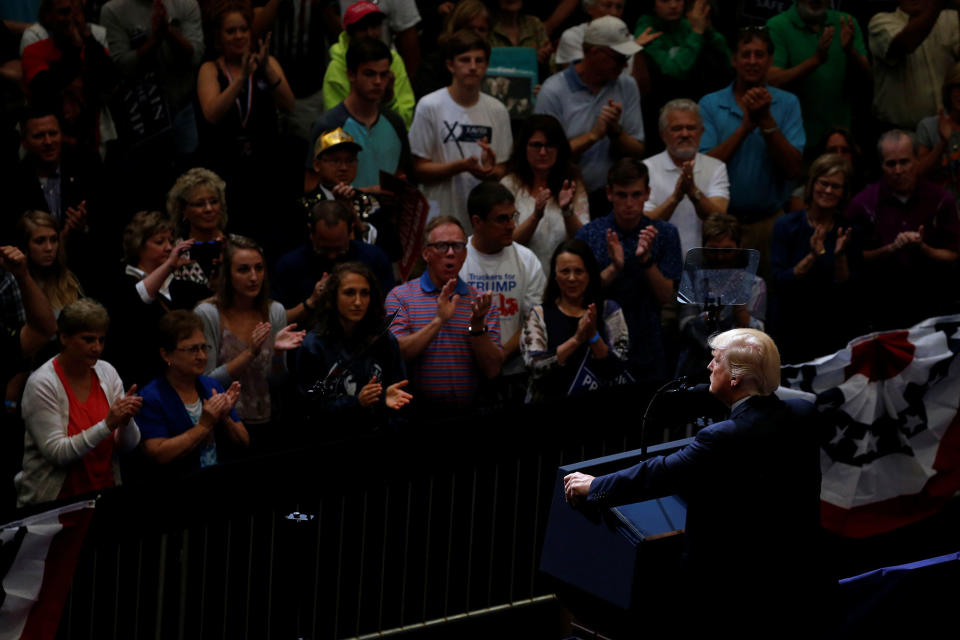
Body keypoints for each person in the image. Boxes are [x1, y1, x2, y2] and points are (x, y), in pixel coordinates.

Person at [563, 328, 821, 632]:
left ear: (735, 379)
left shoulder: (723, 437)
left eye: (716, 361)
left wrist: (594, 486)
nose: (709, 367)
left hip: (731, 595)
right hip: (798, 582)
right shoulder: (803, 413)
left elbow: (658, 474)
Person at [698, 27, 805, 277]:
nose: (753, 61)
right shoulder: (710, 104)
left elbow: (793, 168)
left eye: (760, 55)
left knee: (768, 301)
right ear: (734, 60)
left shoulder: (788, 103)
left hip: (770, 223)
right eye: (746, 54)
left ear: (770, 60)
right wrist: (745, 128)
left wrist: (767, 121)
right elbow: (703, 168)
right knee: (719, 302)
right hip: (721, 227)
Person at [17, 299, 142, 507]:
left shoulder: (107, 372)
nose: (97, 348)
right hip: (54, 505)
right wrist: (107, 425)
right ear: (64, 337)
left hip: (103, 495)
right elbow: (57, 453)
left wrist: (126, 422)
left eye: (101, 340)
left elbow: (126, 447)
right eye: (88, 340)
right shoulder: (42, 383)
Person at [196, 1, 296, 242]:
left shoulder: (266, 63)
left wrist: (265, 70)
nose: (239, 36)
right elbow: (212, 113)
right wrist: (240, 80)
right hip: (225, 168)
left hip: (265, 167)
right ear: (219, 36)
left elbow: (289, 104)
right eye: (231, 31)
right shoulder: (210, 69)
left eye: (243, 29)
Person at [575, 158, 681, 380]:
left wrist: (646, 261)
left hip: (649, 337)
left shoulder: (665, 233)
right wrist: (614, 268)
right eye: (622, 195)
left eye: (636, 194)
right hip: (600, 338)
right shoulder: (589, 234)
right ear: (609, 194)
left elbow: (665, 296)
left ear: (647, 193)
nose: (629, 203)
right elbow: (582, 295)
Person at [194, 235, 305, 444]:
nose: (254, 277)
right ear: (227, 274)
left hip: (270, 422)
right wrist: (250, 353)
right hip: (224, 425)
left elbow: (278, 381)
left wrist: (279, 355)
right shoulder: (208, 313)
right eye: (243, 270)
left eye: (259, 268)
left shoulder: (274, 311)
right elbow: (206, 382)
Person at [846, 130, 959, 331]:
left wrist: (923, 248)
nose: (898, 170)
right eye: (891, 164)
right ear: (881, 166)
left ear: (916, 161)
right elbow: (855, 259)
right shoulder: (863, 204)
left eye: (904, 162)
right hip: (881, 307)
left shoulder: (941, 200)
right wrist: (891, 249)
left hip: (934, 306)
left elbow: (953, 254)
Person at [385, 216, 502, 407]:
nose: (450, 253)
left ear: (465, 254)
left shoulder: (480, 301)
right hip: (417, 413)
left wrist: (476, 326)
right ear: (426, 253)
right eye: (442, 246)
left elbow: (493, 369)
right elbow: (397, 354)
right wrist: (439, 321)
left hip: (471, 409)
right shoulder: (400, 296)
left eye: (457, 246)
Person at [535, 16, 645, 216]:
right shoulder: (553, 91)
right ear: (594, 53)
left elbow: (637, 151)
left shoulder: (627, 85)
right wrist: (593, 136)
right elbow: (541, 157)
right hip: (562, 196)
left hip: (613, 200)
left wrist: (615, 131)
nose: (624, 65)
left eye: (626, 59)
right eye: (619, 58)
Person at [408, 29, 512, 229]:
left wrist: (489, 170)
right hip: (439, 213)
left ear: (487, 65)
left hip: (483, 220)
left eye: (479, 61)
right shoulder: (429, 106)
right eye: (465, 60)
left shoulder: (498, 110)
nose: (473, 67)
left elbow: (501, 169)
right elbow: (419, 169)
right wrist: (461, 166)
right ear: (450, 65)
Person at [296, 262, 411, 426]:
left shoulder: (383, 339)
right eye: (349, 293)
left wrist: (387, 399)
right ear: (333, 297)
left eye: (365, 293)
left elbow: (399, 390)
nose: (358, 302)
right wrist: (357, 403)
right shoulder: (315, 345)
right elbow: (310, 406)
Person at [459, 181, 545, 398]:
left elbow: (533, 320)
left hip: (516, 371)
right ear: (477, 222)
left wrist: (500, 355)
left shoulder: (527, 260)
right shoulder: (458, 260)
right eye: (501, 219)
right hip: (467, 371)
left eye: (513, 216)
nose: (511, 226)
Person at [772, 154, 859, 363]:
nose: (828, 191)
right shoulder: (786, 225)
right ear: (811, 185)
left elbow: (848, 288)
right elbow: (779, 280)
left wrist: (838, 256)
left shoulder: (848, 231)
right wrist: (812, 256)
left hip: (831, 327)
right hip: (790, 324)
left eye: (835, 186)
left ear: (843, 193)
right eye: (824, 183)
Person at [137, 310, 248, 473]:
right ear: (166, 355)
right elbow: (159, 454)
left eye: (204, 347)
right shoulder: (151, 397)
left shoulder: (212, 386)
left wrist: (224, 416)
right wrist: (204, 425)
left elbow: (244, 441)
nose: (202, 356)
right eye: (192, 349)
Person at [520, 238, 628, 402]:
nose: (571, 278)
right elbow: (535, 367)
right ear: (555, 275)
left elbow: (618, 366)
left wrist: (593, 336)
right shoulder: (538, 314)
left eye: (579, 271)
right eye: (565, 271)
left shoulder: (609, 311)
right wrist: (577, 340)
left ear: (590, 274)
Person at [104, 211, 204, 388]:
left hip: (180, 380)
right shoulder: (120, 283)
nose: (168, 248)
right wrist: (169, 265)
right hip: (139, 379)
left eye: (171, 242)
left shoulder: (181, 286)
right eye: (159, 242)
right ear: (138, 245)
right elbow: (139, 299)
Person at [100, 0, 205, 164]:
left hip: (182, 109)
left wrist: (168, 32)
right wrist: (154, 40)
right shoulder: (113, 11)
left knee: (189, 175)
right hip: (140, 117)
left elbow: (196, 56)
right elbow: (121, 66)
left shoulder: (186, 3)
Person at [766, 0, 871, 152]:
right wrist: (816, 60)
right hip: (795, 141)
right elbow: (773, 80)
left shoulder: (846, 22)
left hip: (840, 142)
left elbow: (868, 79)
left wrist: (850, 51)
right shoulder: (778, 26)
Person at [312, 37, 413, 193]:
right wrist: (368, 193)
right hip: (343, 216)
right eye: (369, 74)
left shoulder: (395, 122)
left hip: (388, 216)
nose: (378, 81)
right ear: (351, 75)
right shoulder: (330, 125)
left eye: (384, 74)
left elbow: (402, 176)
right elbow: (311, 187)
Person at [272, 200, 395, 325]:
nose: (332, 256)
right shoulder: (289, 265)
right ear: (311, 232)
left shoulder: (374, 258)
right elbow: (275, 322)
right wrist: (311, 302)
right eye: (324, 249)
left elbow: (389, 312)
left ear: (350, 230)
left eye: (339, 249)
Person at [632, 0, 731, 154]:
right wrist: (697, 33)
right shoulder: (646, 27)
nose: (673, 5)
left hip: (694, 105)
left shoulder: (686, 23)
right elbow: (674, 71)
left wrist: (707, 28)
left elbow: (727, 56)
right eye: (665, 0)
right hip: (657, 111)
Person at [21, 0, 118, 156]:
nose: (71, 18)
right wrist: (75, 48)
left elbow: (111, 82)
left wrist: (86, 35)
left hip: (89, 149)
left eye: (77, 11)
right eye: (64, 12)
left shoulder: (91, 49)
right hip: (48, 151)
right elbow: (44, 90)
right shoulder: (35, 51)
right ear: (47, 17)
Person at [676, 213, 766, 377]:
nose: (719, 257)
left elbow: (757, 334)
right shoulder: (692, 280)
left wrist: (738, 304)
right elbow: (685, 326)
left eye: (727, 250)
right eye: (712, 250)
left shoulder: (754, 284)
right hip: (697, 365)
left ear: (738, 247)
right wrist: (713, 313)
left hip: (739, 367)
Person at [501, 114, 589, 274]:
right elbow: (506, 241)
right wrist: (536, 216)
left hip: (564, 279)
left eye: (550, 145)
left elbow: (585, 240)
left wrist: (567, 211)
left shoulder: (573, 184)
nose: (543, 152)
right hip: (520, 275)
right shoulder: (509, 185)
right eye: (536, 145)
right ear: (524, 148)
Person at [643, 98, 729, 259]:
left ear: (701, 131)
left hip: (705, 263)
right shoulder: (646, 169)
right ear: (663, 134)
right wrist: (675, 198)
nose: (685, 134)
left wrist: (693, 192)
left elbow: (720, 219)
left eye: (691, 128)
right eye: (677, 128)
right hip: (659, 263)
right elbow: (643, 224)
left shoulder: (716, 167)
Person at [300, 128, 399, 259]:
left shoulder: (370, 202)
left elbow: (393, 251)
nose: (344, 168)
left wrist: (355, 218)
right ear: (317, 165)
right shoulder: (304, 205)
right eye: (335, 161)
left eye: (350, 160)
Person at [869, 0, 960, 130]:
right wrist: (936, 6)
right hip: (900, 133)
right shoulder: (880, 21)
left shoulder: (950, 19)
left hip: (947, 126)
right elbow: (904, 44)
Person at [322, 1, 414, 128]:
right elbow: (335, 126)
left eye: (375, 26)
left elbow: (405, 121)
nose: (370, 34)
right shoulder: (337, 67)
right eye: (362, 28)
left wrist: (390, 100)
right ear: (349, 33)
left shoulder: (394, 61)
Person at [165, 167, 229, 306]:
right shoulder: (173, 253)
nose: (209, 209)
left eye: (214, 202)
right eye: (200, 204)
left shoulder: (240, 247)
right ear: (183, 210)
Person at [411, 0, 490, 99]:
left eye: (481, 29)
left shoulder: (493, 60)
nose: (475, 34)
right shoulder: (432, 66)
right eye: (470, 29)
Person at [17, 210, 81, 314]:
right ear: (25, 246)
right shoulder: (14, 284)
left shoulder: (68, 282)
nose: (49, 248)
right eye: (40, 241)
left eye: (54, 240)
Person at [916, 61, 960, 199]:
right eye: (957, 87)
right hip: (938, 208)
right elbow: (918, 173)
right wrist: (942, 143)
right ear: (949, 90)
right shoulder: (928, 126)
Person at [485, 0, 552, 80]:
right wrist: (530, 59)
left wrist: (544, 58)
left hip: (534, 85)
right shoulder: (485, 25)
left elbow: (551, 65)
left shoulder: (534, 24)